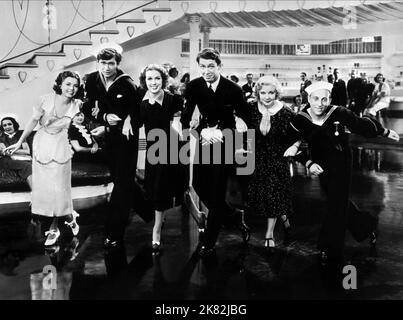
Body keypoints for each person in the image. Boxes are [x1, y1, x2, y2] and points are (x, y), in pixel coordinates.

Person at [289, 81, 399, 264]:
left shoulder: (339, 112)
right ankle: (367, 226)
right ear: (308, 99)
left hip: (341, 162)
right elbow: (290, 142)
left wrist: (384, 131)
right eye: (315, 99)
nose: (320, 103)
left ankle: (330, 248)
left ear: (330, 99)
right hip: (320, 165)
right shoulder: (300, 118)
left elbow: (359, 124)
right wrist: (307, 162)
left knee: (335, 206)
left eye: (324, 99)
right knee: (338, 202)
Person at [180, 48, 251, 257]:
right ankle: (234, 216)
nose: (206, 70)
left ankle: (209, 242)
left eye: (211, 66)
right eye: (202, 66)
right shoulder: (194, 86)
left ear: (220, 66)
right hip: (204, 140)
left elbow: (247, 120)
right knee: (200, 185)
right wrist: (202, 131)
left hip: (226, 141)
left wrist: (223, 132)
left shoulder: (234, 89)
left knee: (217, 191)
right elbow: (186, 118)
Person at [5, 71, 82, 246]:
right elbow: (32, 122)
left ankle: (55, 228)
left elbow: (81, 125)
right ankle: (68, 216)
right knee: (47, 190)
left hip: (61, 146)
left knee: (60, 189)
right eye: (68, 84)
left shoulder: (78, 105)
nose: (72, 88)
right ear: (60, 84)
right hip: (42, 145)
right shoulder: (44, 99)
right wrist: (19, 143)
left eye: (75, 85)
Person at [82, 47, 142, 248]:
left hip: (126, 140)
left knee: (122, 185)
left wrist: (125, 120)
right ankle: (151, 210)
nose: (107, 67)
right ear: (97, 62)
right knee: (121, 180)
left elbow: (137, 115)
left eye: (111, 63)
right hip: (104, 137)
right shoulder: (91, 80)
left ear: (118, 63)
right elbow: (86, 107)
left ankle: (114, 231)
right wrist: (105, 119)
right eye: (103, 63)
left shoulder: (128, 84)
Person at [246, 76, 300, 249]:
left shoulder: (286, 112)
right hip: (256, 157)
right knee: (260, 196)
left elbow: (299, 134)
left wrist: (295, 146)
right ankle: (282, 215)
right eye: (263, 93)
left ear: (277, 93)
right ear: (258, 93)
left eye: (271, 92)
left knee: (273, 194)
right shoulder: (251, 108)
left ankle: (269, 233)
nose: (267, 96)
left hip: (277, 159)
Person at [137, 64, 184, 254]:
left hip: (173, 147)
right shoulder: (141, 102)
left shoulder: (174, 100)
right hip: (152, 149)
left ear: (163, 80)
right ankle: (158, 220)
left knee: (167, 187)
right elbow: (135, 121)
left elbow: (179, 126)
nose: (153, 82)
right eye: (149, 78)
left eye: (157, 78)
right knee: (155, 188)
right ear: (144, 81)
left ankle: (157, 228)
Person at [0, 116, 32, 189]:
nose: (7, 127)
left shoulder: (21, 136)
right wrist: (19, 151)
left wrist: (13, 151)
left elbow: (27, 151)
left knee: (30, 166)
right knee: (27, 166)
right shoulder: (1, 137)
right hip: (7, 160)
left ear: (14, 124)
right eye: (4, 125)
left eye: (9, 124)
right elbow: (5, 153)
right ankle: (35, 193)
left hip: (22, 158)